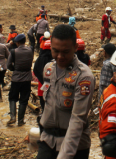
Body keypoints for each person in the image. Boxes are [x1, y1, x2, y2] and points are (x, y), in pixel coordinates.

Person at [37, 25, 94, 159]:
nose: (60, 56)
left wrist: (64, 155)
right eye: (55, 51)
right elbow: (48, 105)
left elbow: (77, 119)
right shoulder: (48, 69)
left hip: (75, 146)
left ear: (75, 48)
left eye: (65, 52)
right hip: (47, 140)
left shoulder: (83, 77)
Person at [7, 34, 34, 126]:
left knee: (12, 97)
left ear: (17, 42)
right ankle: (21, 120)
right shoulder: (31, 50)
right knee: (24, 99)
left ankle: (13, 117)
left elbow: (8, 65)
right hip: (27, 78)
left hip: (16, 78)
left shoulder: (13, 51)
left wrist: (14, 68)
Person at [33, 39, 53, 113]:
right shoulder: (55, 59)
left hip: (42, 85)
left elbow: (35, 71)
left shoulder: (39, 59)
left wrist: (42, 80)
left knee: (43, 102)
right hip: (54, 86)